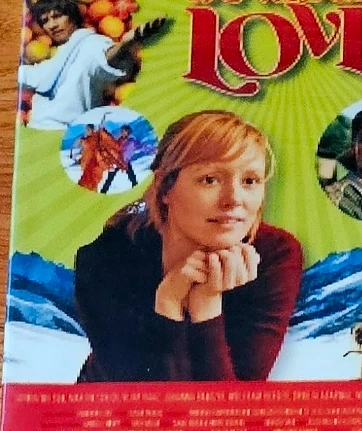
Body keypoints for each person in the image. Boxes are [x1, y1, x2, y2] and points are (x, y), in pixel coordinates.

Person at [73, 110, 302, 383]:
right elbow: (147, 398)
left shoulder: (275, 254)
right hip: (109, 405)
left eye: (250, 181)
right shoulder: (106, 258)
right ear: (165, 188)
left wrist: (206, 303)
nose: (234, 199)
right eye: (210, 179)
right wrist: (169, 302)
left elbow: (234, 404)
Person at [19, 0, 165, 131]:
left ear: (72, 16)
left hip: (67, 132)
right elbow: (35, 75)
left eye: (57, 16)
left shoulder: (91, 43)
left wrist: (126, 43)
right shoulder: (58, 54)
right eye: (45, 21)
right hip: (38, 128)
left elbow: (103, 58)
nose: (52, 25)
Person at [100, 123, 142, 193]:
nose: (122, 132)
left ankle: (136, 190)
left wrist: (152, 149)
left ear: (127, 132)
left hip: (125, 162)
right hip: (117, 161)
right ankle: (103, 192)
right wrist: (103, 131)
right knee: (110, 178)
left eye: (123, 131)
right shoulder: (119, 140)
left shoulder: (131, 141)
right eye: (121, 131)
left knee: (132, 177)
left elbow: (142, 146)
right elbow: (111, 140)